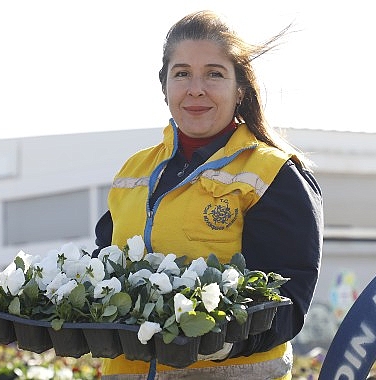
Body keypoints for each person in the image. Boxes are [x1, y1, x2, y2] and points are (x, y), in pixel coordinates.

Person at [93, 10, 323, 380]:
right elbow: (100, 269)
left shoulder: (274, 173)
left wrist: (218, 340)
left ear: (240, 88)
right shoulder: (132, 172)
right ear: (164, 84)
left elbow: (288, 301)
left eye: (214, 74)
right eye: (182, 73)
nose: (195, 88)